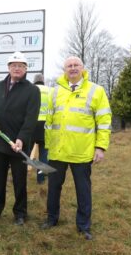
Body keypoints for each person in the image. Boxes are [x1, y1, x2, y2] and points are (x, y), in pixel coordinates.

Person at [40, 56, 112, 240]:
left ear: (82, 68)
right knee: (54, 188)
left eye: (76, 65)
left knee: (83, 190)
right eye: (69, 66)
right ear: (64, 70)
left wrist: (100, 147)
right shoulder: (55, 92)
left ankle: (83, 226)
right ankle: (51, 219)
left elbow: (104, 121)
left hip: (82, 152)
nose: (72, 68)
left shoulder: (96, 90)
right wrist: (48, 146)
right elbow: (49, 121)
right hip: (57, 151)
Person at [0, 51, 39, 226]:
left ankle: (20, 213)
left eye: (20, 66)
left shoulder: (32, 90)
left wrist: (21, 139)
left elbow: (31, 118)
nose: (17, 68)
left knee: (19, 179)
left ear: (25, 69)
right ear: (8, 67)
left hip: (18, 144)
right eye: (14, 65)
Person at [31, 73, 50, 184]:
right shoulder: (49, 91)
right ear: (43, 80)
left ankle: (19, 175)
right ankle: (41, 178)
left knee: (26, 151)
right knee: (43, 153)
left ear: (34, 81)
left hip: (32, 124)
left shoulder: (30, 90)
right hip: (45, 125)